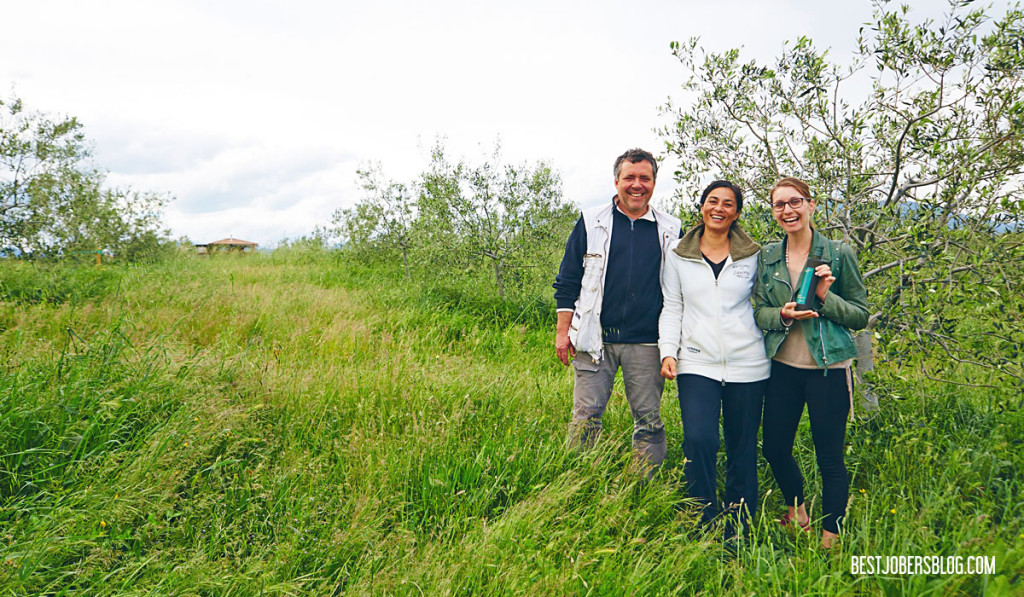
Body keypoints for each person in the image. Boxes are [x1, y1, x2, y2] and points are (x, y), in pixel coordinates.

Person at [753, 177, 869, 548]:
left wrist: (824, 297)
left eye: (795, 202)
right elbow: (758, 311)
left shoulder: (839, 253)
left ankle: (830, 537)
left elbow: (860, 315)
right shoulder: (767, 255)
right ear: (773, 211)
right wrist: (782, 315)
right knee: (773, 447)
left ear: (811, 205)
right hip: (783, 368)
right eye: (779, 205)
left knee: (829, 457)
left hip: (827, 370)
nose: (788, 210)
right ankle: (797, 508)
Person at [553, 148, 681, 472]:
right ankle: (578, 485)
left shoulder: (670, 230)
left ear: (653, 183)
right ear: (617, 181)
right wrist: (562, 334)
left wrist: (673, 346)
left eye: (644, 178)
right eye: (630, 178)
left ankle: (644, 488)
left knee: (649, 421)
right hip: (595, 339)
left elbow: (678, 293)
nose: (637, 185)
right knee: (586, 418)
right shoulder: (590, 221)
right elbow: (568, 281)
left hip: (647, 342)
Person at [658, 180, 769, 534]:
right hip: (696, 361)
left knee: (742, 446)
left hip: (748, 364)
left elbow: (766, 304)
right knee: (700, 439)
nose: (719, 208)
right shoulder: (678, 254)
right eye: (712, 201)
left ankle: (739, 524)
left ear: (737, 213)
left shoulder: (753, 254)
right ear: (701, 207)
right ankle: (701, 518)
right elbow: (672, 307)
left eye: (728, 203)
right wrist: (667, 351)